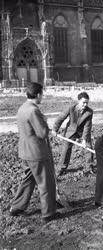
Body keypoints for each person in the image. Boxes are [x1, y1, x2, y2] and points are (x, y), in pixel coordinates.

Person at [10, 82, 59, 223]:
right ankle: (48, 213)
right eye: (42, 94)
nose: (42, 97)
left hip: (25, 152)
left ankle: (17, 207)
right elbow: (42, 133)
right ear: (38, 94)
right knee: (46, 183)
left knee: (28, 179)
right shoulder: (34, 110)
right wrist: (45, 121)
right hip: (37, 153)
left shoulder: (22, 108)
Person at [52, 92, 93, 176]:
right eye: (83, 102)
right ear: (78, 101)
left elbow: (87, 127)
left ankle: (89, 167)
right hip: (71, 131)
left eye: (87, 103)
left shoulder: (89, 112)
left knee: (88, 147)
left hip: (82, 132)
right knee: (66, 149)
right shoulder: (71, 108)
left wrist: (84, 140)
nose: (85, 105)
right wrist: (54, 129)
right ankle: (60, 169)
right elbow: (61, 118)